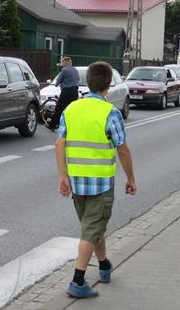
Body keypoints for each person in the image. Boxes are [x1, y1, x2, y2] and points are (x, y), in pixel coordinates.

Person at [55, 61, 137, 298]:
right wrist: (131, 178)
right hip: (100, 183)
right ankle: (77, 280)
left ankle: (103, 266)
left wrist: (63, 175)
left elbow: (59, 144)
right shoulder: (110, 113)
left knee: (93, 226)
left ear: (87, 82)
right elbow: (123, 150)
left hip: (78, 181)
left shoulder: (71, 109)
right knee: (92, 229)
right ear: (108, 85)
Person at [45, 56, 79, 132]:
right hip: (75, 92)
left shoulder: (64, 70)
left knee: (59, 108)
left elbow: (58, 81)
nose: (61, 63)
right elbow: (77, 80)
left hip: (66, 92)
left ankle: (52, 125)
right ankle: (71, 126)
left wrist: (57, 84)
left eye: (62, 62)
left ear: (66, 62)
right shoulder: (75, 70)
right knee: (72, 109)